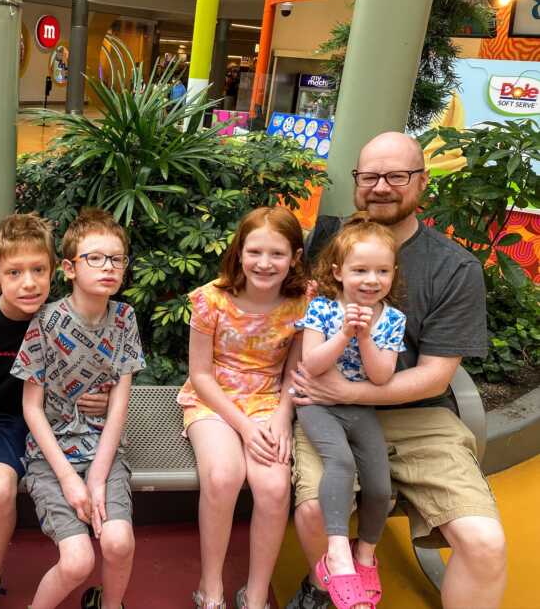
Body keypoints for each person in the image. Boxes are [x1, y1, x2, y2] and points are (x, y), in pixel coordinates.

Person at [287, 132, 506, 609]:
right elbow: (293, 324)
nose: (381, 186)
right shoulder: (330, 241)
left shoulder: (454, 267)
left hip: (418, 415)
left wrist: (347, 393)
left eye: (396, 176)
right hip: (326, 409)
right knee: (310, 511)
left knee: (484, 542)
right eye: (370, 176)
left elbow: (435, 376)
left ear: (422, 182)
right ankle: (323, 588)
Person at [0, 213, 110, 609]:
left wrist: (105, 394)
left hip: (18, 421)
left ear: (52, 272)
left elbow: (99, 361)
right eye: (14, 272)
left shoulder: (61, 320)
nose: (28, 282)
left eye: (38, 270)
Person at [12, 208, 145, 609]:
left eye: (117, 259)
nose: (109, 267)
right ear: (69, 268)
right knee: (77, 561)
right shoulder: (46, 322)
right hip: (52, 460)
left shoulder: (124, 318)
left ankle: (110, 603)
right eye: (95, 258)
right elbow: (32, 409)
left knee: (119, 542)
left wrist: (99, 477)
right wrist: (70, 478)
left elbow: (119, 405)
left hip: (103, 451)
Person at [178, 206, 308, 609]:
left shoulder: (303, 301)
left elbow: (295, 371)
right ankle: (211, 587)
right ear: (239, 251)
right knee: (222, 476)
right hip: (213, 399)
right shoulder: (210, 299)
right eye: (255, 252)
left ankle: (255, 595)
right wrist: (245, 427)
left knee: (272, 486)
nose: (264, 264)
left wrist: (282, 417)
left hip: (269, 399)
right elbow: (200, 375)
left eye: (277, 254)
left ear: (295, 258)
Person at [295, 215, 405, 609]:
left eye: (382, 271)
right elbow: (311, 365)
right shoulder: (323, 309)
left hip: (359, 407)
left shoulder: (391, 320)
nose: (371, 280)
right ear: (339, 273)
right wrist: (343, 333)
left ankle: (365, 555)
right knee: (340, 462)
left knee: (379, 484)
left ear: (393, 274)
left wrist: (365, 338)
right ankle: (337, 554)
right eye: (360, 270)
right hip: (317, 404)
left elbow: (380, 377)